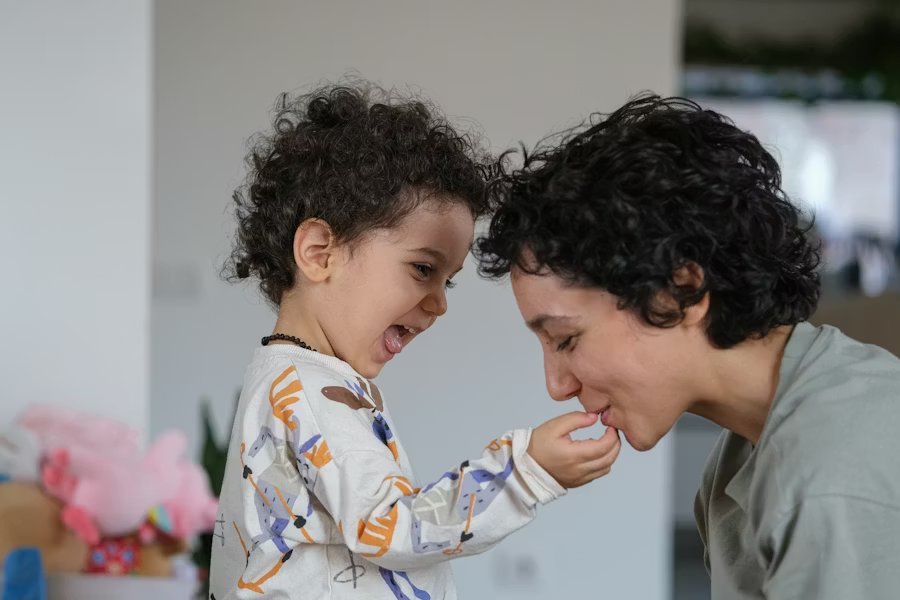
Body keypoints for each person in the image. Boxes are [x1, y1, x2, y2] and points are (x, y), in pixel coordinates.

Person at [476, 94, 900, 599]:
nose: (557, 385)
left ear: (679, 291)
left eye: (566, 339)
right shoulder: (741, 456)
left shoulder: (830, 478)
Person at [209, 82, 620, 599]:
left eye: (446, 280)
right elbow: (389, 527)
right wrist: (523, 472)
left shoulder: (290, 378)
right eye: (422, 268)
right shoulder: (307, 394)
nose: (439, 302)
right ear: (319, 252)